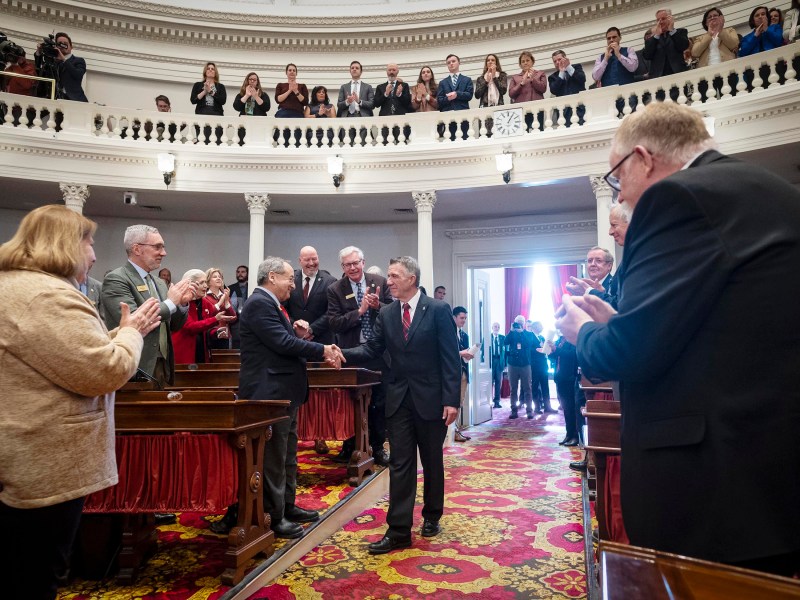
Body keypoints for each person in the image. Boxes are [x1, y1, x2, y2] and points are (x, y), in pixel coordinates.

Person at [555, 102, 800, 574]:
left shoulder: (678, 198)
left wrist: (582, 332)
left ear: (644, 160)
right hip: (769, 475)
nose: (621, 197)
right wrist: (617, 322)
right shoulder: (765, 187)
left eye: (617, 179)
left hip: (717, 489)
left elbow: (630, 354)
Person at [0, 205, 159, 600]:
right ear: (66, 244)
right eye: (89, 242)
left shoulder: (15, 286)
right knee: (36, 574)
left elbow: (63, 354)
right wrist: (131, 332)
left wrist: (117, 334)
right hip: (44, 457)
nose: (92, 253)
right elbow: (103, 371)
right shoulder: (46, 295)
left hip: (25, 449)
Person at [339, 256, 460, 554]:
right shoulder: (388, 313)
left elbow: (450, 358)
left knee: (432, 461)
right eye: (389, 276)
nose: (388, 281)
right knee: (400, 464)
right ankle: (398, 531)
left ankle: (432, 515)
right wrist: (340, 353)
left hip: (432, 400)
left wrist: (451, 400)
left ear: (411, 278)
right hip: (399, 400)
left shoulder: (438, 309)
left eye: (393, 276)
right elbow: (372, 348)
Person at [238, 257, 343, 539]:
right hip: (269, 394)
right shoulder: (260, 303)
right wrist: (321, 349)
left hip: (284, 393)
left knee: (287, 453)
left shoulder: (273, 304)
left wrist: (299, 335)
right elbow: (282, 344)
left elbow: (284, 340)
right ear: (272, 277)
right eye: (289, 279)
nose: (293, 286)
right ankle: (274, 516)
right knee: (274, 457)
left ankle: (286, 505)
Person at [101, 224, 195, 387]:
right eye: (157, 247)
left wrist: (182, 304)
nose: (163, 253)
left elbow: (173, 326)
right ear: (137, 249)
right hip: (135, 367)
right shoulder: (116, 279)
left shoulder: (159, 282)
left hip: (162, 365)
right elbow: (136, 321)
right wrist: (171, 302)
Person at [327, 246, 392, 466]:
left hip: (379, 353)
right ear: (342, 267)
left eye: (356, 263)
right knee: (350, 402)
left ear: (363, 262)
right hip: (351, 353)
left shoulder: (380, 281)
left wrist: (378, 306)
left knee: (379, 402)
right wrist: (360, 312)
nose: (353, 267)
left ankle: (378, 447)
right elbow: (334, 323)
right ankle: (351, 446)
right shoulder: (335, 289)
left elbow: (394, 310)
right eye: (348, 265)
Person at [172, 268, 235, 364]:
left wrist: (216, 332)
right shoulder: (181, 301)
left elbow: (206, 329)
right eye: (201, 283)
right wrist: (215, 319)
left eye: (206, 282)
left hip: (202, 352)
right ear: (190, 284)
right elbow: (190, 327)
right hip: (184, 353)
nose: (205, 286)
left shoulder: (204, 302)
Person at [285, 246, 336, 344]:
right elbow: (283, 306)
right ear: (300, 261)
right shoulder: (291, 279)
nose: (311, 263)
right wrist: (295, 325)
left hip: (322, 340)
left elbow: (332, 311)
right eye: (307, 260)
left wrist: (311, 330)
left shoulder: (330, 281)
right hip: (294, 339)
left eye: (314, 259)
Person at [34, 32, 87, 101]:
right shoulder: (52, 62)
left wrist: (64, 60)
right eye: (60, 43)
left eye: (65, 43)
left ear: (71, 47)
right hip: (54, 99)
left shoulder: (78, 60)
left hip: (73, 100)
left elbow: (78, 75)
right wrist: (39, 52)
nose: (62, 45)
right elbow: (39, 71)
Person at [641, 9, 689, 79]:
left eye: (663, 19)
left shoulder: (680, 32)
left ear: (670, 19)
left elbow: (683, 46)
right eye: (658, 20)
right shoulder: (652, 39)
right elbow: (647, 55)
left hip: (678, 74)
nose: (660, 22)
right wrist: (656, 35)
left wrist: (672, 30)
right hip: (658, 78)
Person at [453, 306, 474, 442]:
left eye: (465, 318)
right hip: (451, 373)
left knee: (460, 402)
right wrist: (461, 353)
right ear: (454, 317)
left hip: (463, 373)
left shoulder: (464, 335)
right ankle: (451, 431)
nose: (464, 321)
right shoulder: (448, 333)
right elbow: (446, 352)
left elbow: (465, 353)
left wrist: (469, 354)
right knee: (451, 402)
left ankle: (456, 430)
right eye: (461, 318)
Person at [504, 316, 533, 419]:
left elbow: (529, 343)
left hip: (525, 364)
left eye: (521, 322)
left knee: (527, 388)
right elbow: (505, 342)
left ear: (524, 323)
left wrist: (522, 332)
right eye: (517, 322)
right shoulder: (512, 334)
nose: (519, 324)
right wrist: (511, 331)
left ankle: (529, 411)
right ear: (514, 323)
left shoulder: (528, 334)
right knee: (513, 388)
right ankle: (514, 410)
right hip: (512, 364)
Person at [548, 50, 586, 127]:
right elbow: (553, 90)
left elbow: (582, 79)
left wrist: (568, 67)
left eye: (559, 59)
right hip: (564, 114)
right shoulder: (552, 77)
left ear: (565, 58)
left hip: (580, 110)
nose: (557, 62)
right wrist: (561, 73)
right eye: (555, 61)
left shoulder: (576, 67)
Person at [203, 267, 237, 350]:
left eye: (220, 277)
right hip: (209, 335)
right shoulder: (204, 297)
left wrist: (226, 301)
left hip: (224, 336)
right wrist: (220, 302)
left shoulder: (225, 296)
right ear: (208, 281)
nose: (218, 278)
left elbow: (233, 318)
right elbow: (208, 315)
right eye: (215, 277)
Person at [228, 264, 249, 349]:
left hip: (249, 320)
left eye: (243, 272)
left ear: (248, 273)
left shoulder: (253, 287)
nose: (240, 274)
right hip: (235, 322)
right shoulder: (230, 288)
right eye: (238, 272)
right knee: (235, 344)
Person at [488, 322, 505, 408]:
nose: (497, 328)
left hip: (499, 361)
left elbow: (505, 352)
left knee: (498, 382)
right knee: (490, 382)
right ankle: (488, 401)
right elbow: (484, 351)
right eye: (495, 326)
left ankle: (497, 401)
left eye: (498, 327)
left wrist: (505, 364)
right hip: (491, 362)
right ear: (492, 327)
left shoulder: (502, 338)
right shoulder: (488, 337)